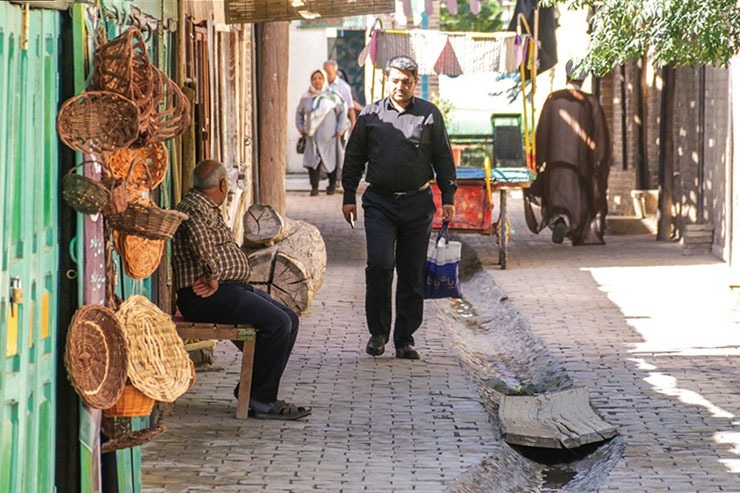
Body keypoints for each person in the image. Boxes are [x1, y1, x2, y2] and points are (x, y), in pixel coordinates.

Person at [173, 160, 311, 420]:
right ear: (223, 184)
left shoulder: (206, 207)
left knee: (289, 318)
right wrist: (213, 275)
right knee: (278, 324)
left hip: (229, 289)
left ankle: (255, 393)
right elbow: (198, 239)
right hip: (208, 295)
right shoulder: (194, 208)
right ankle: (261, 398)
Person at [341, 55, 457, 360]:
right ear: (386, 80)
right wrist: (348, 195)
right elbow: (354, 157)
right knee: (380, 264)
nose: (400, 86)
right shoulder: (370, 115)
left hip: (418, 205)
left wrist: (448, 197)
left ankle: (404, 338)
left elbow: (443, 158)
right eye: (395, 80)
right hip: (380, 203)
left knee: (411, 271)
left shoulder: (429, 115)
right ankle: (378, 332)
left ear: (415, 82)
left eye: (406, 81)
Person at [523, 59, 611, 245]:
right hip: (581, 165)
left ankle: (559, 221)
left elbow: (543, 131)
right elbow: (600, 135)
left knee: (556, 196)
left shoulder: (553, 100)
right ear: (584, 79)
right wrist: (598, 161)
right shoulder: (590, 102)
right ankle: (575, 230)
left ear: (567, 76)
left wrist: (540, 160)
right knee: (579, 199)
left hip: (555, 162)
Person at [296, 69, 347, 196]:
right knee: (313, 163)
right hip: (312, 137)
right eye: (314, 79)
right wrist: (300, 127)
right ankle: (314, 187)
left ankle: (332, 185)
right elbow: (299, 113)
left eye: (320, 78)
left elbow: (342, 113)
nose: (317, 81)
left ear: (324, 80)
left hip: (330, 137)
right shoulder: (306, 98)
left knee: (331, 161)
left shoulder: (333, 97)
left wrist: (340, 129)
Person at [323, 60, 356, 130]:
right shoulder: (321, 85)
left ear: (335, 72)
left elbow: (350, 107)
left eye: (329, 73)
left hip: (339, 124)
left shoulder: (344, 87)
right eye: (324, 73)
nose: (326, 76)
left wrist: (353, 125)